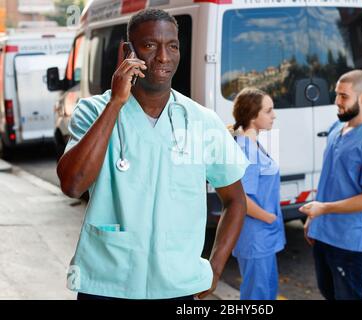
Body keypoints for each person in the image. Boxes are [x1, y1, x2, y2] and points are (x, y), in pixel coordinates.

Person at [57, 9, 249, 300]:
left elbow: (235, 201)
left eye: (172, 46)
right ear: (127, 52)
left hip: (177, 286)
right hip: (108, 283)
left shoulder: (201, 121)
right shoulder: (93, 111)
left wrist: (216, 268)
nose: (163, 57)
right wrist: (115, 103)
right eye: (150, 45)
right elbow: (73, 185)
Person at [300, 70, 362, 300]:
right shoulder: (336, 128)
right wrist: (314, 219)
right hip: (323, 234)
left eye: (344, 96)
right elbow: (329, 181)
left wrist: (324, 209)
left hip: (348, 242)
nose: (337, 102)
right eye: (337, 95)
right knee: (327, 292)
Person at [229, 88, 286, 300]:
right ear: (253, 116)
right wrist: (269, 218)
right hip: (256, 237)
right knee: (257, 296)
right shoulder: (245, 149)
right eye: (269, 111)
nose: (274, 115)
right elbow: (240, 198)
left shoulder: (252, 143)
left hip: (263, 236)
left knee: (266, 293)